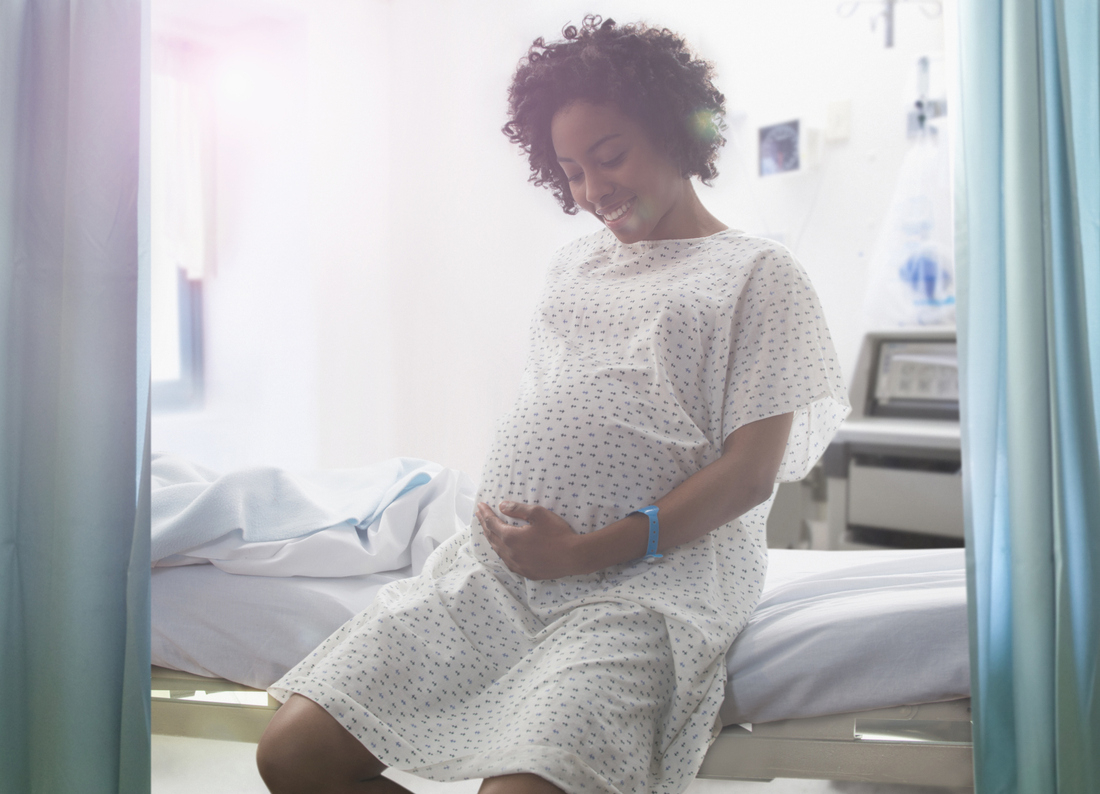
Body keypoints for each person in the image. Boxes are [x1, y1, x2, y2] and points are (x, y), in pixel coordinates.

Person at [256, 15, 848, 794]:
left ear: (675, 134)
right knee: (292, 753)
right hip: (496, 577)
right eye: (571, 171)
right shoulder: (575, 265)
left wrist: (585, 551)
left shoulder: (757, 275)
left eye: (610, 157)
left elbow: (748, 478)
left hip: (648, 585)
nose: (594, 190)